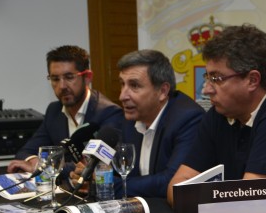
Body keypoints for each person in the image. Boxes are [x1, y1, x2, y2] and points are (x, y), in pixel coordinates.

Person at [167, 24, 266, 205]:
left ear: (252, 80)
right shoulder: (220, 113)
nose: (206, 90)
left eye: (216, 79)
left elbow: (251, 201)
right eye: (207, 78)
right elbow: (176, 188)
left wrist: (198, 202)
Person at [71, 49, 205, 198]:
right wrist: (87, 174)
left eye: (134, 86)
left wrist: (107, 184)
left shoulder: (188, 118)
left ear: (162, 91)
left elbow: (170, 182)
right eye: (122, 84)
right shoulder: (130, 119)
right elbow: (117, 169)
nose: (122, 96)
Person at [7, 45, 124, 176]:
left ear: (87, 77)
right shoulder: (54, 110)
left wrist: (43, 166)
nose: (62, 86)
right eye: (55, 79)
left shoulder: (109, 113)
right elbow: (26, 151)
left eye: (69, 77)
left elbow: (96, 165)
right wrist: (33, 160)